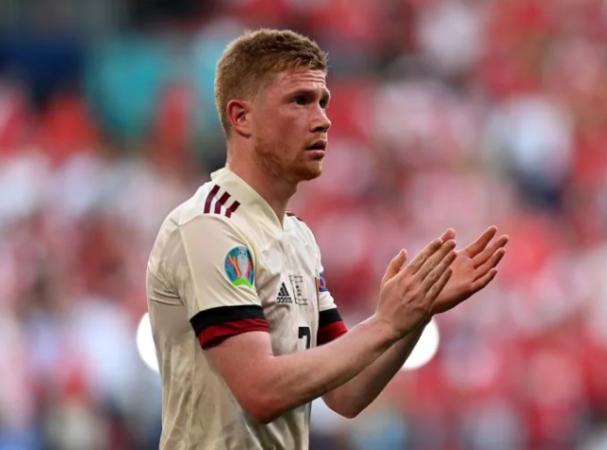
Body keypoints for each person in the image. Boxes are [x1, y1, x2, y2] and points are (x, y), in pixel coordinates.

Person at [146, 28, 508, 450]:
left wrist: (415, 315)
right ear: (241, 117)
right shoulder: (209, 226)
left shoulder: (298, 237)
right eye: (299, 101)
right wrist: (385, 323)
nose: (322, 120)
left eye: (323, 102)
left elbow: (346, 394)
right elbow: (259, 391)